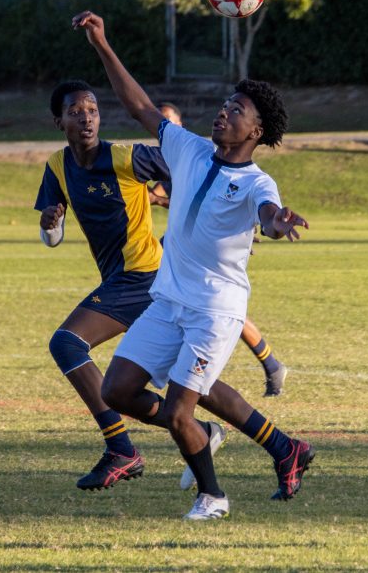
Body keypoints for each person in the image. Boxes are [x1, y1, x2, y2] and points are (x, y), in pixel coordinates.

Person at [73, 10, 315, 521]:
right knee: (119, 390)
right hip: (169, 300)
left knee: (183, 405)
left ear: (258, 129)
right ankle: (279, 447)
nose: (224, 112)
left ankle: (213, 496)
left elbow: (268, 216)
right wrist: (102, 42)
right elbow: (138, 103)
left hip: (214, 311)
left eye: (238, 109)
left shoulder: (256, 183)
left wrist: (277, 222)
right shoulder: (188, 148)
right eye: (226, 104)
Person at [35, 79, 226, 491]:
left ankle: (121, 448)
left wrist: (208, 219)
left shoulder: (126, 157)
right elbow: (52, 235)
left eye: (92, 109)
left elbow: (190, 168)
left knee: (67, 343)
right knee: (184, 377)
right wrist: (50, 223)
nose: (85, 117)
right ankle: (249, 440)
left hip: (143, 276)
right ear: (58, 121)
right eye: (74, 111)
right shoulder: (56, 166)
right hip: (128, 280)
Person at [150, 100, 290, 397]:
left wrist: (272, 224)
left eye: (170, 120)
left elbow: (262, 209)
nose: (224, 112)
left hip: (210, 271)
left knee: (218, 312)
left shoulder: (197, 152)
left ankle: (270, 363)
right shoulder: (179, 153)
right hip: (183, 247)